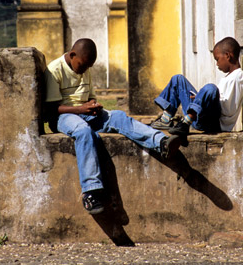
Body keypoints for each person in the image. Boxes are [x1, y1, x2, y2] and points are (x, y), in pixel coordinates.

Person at [44, 38, 182, 215]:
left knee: (118, 116)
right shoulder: (55, 70)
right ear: (72, 55)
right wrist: (80, 109)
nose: (85, 69)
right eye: (83, 65)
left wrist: (93, 105)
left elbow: (90, 96)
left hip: (85, 112)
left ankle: (161, 142)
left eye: (88, 66)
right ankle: (91, 192)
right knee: (84, 132)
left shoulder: (86, 67)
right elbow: (51, 109)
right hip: (64, 116)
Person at [151, 37, 243, 135]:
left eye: (217, 59)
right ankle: (166, 119)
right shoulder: (229, 77)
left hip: (214, 123)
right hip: (201, 114)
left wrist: (204, 98)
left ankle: (185, 123)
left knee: (210, 88)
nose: (217, 64)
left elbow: (227, 110)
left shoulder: (239, 76)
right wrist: (201, 98)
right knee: (178, 79)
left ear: (227, 56)